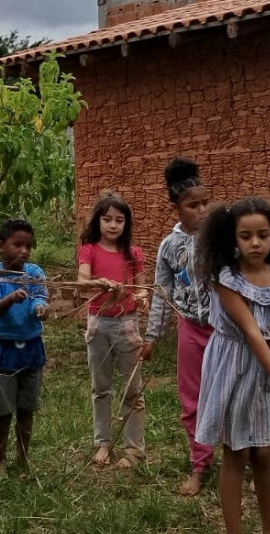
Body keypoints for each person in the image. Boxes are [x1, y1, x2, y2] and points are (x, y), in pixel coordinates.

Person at [194, 196, 270, 534]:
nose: (255, 243)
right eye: (246, 236)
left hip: (262, 370)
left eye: (263, 235)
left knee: (264, 452)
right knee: (236, 452)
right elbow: (253, 333)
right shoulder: (227, 278)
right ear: (232, 239)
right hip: (232, 365)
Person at [140, 157, 216, 496]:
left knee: (228, 394)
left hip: (224, 330)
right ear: (176, 207)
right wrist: (152, 337)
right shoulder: (169, 247)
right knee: (192, 399)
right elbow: (162, 293)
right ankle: (200, 463)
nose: (202, 210)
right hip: (190, 329)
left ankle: (239, 457)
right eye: (193, 205)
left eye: (205, 203)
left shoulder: (220, 238)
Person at [77, 191, 149, 469]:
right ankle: (103, 444)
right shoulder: (89, 249)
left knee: (133, 389)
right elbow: (82, 281)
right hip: (98, 323)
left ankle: (134, 450)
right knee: (101, 388)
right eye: (107, 219)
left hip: (127, 323)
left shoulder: (133, 253)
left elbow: (141, 287)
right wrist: (100, 283)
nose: (113, 225)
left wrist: (142, 297)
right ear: (98, 220)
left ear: (126, 223)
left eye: (119, 220)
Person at [0, 219, 48, 478]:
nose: (24, 251)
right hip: (3, 353)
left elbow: (40, 298)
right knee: (4, 410)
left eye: (28, 246)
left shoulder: (34, 273)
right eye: (17, 245)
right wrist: (10, 298)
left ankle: (23, 457)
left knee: (27, 408)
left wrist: (40, 308)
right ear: (1, 246)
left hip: (31, 350)